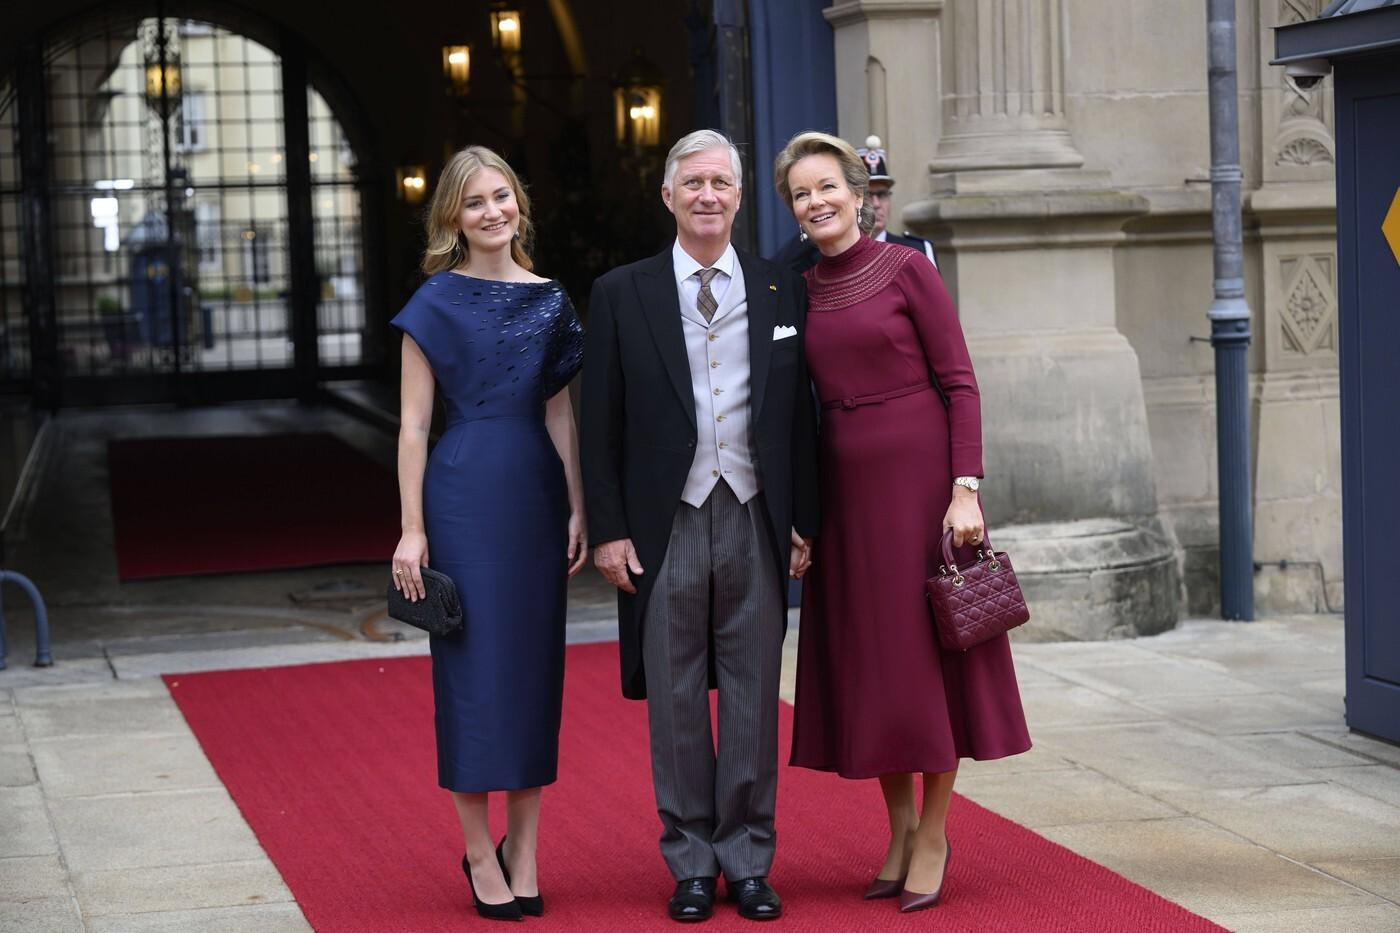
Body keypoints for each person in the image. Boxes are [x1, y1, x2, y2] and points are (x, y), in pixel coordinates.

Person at [772, 131, 1030, 914]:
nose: (816, 202)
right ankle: (899, 828)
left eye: (827, 187)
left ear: (859, 194)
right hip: (846, 492)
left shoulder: (909, 269)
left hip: (921, 484)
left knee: (928, 660)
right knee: (875, 664)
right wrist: (802, 514)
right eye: (800, 194)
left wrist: (965, 489)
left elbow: (961, 381)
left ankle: (935, 832)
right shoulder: (796, 288)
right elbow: (791, 410)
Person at [580, 129, 819, 923]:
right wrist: (610, 528)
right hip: (666, 519)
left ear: (740, 196)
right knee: (676, 695)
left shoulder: (782, 286)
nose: (707, 195)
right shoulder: (622, 292)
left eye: (721, 182)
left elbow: (800, 415)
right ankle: (689, 860)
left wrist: (802, 516)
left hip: (754, 509)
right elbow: (600, 422)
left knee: (752, 693)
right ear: (668, 196)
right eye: (693, 183)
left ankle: (747, 858)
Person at [390, 145, 586, 922]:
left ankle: (524, 850)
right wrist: (411, 529)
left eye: (501, 196)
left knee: (534, 674)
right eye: (474, 202)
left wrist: (577, 505)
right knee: (472, 677)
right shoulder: (433, 302)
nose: (492, 211)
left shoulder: (551, 300)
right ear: (453, 218)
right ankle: (478, 850)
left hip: (535, 495)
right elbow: (412, 426)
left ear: (519, 205)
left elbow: (561, 412)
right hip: (462, 497)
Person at [770, 134, 937, 274]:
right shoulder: (806, 264)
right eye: (801, 194)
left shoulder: (912, 257)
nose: (876, 203)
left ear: (857, 196)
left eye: (882, 194)